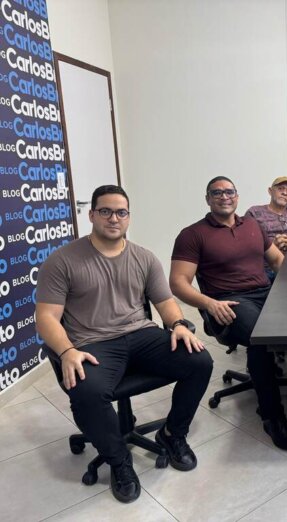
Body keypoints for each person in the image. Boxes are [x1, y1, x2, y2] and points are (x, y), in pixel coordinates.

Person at [35, 185, 213, 504]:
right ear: (92, 215)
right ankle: (119, 462)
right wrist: (67, 351)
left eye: (121, 212)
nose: (113, 218)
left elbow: (164, 301)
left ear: (129, 217)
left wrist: (178, 325)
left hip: (140, 334)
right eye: (105, 211)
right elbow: (46, 317)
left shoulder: (144, 257)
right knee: (87, 391)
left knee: (199, 360)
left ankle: (172, 434)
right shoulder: (62, 261)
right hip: (92, 342)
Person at [170, 176, 287, 451]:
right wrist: (209, 304)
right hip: (229, 302)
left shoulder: (252, 225)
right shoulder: (192, 234)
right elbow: (178, 283)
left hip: (265, 292)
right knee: (261, 338)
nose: (224, 197)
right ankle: (272, 415)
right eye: (217, 193)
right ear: (208, 199)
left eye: (229, 192)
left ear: (237, 197)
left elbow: (277, 260)